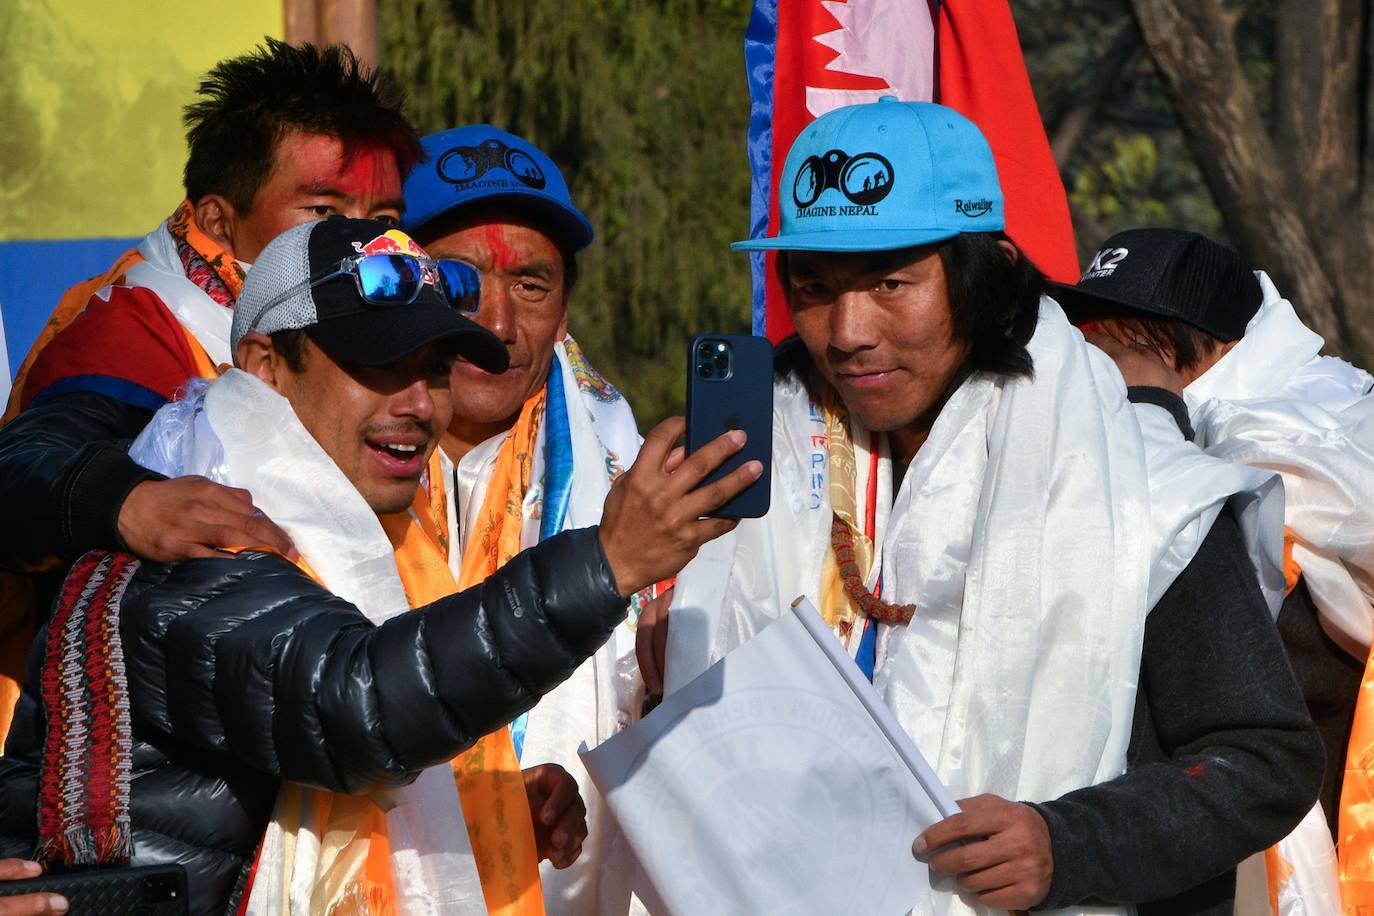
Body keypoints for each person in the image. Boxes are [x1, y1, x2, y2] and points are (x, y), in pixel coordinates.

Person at [649, 99, 1321, 915]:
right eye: (814, 287)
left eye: (893, 282)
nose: (849, 330)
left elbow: (1263, 757)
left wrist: (1067, 843)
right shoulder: (749, 474)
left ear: (989, 269)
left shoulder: (1142, 489)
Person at [0, 218, 759, 916]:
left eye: (432, 370)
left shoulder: (361, 539)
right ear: (264, 364)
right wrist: (609, 561)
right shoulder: (200, 527)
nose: (420, 405)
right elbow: (356, 702)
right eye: (378, 365)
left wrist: (477, 810)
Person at [0, 39, 420, 740]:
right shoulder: (131, 331)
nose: (358, 245)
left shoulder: (393, 341)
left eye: (382, 222)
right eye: (322, 212)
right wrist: (124, 498)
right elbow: (19, 469)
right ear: (220, 222)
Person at [1054, 227, 1374, 907]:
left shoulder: (1285, 452)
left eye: (1113, 344)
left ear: (1191, 350)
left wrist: (1147, 411)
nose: (1091, 369)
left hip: (1282, 834)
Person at [401, 124, 648, 915]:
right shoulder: (316, 461)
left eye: (532, 286)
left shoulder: (626, 477)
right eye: (461, 282)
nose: (497, 325)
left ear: (565, 305)